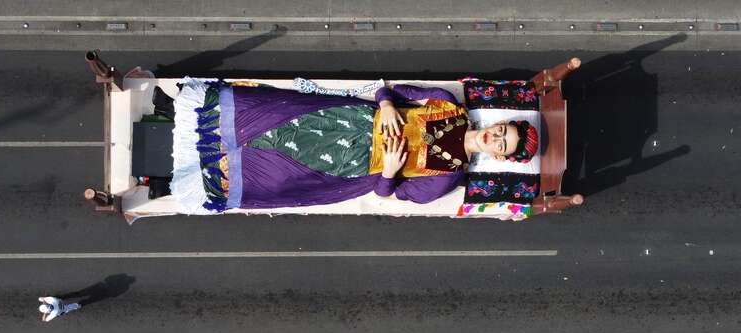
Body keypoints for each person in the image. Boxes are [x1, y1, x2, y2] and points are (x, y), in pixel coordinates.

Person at [170, 80, 539, 213]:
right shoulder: (444, 102)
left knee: (269, 173)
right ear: (497, 123)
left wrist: (391, 170)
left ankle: (176, 173)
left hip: (349, 164)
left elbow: (387, 193)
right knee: (264, 110)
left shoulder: (446, 178)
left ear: (498, 156)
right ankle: (171, 113)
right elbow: (387, 91)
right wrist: (389, 106)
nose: (497, 137)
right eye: (503, 130)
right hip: (348, 118)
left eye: (503, 145)